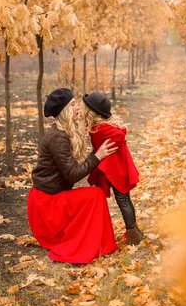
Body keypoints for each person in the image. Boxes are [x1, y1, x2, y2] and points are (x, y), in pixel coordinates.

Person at [27, 88, 119, 264]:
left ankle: (98, 242)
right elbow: (72, 175)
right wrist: (97, 156)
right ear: (64, 111)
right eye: (73, 104)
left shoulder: (65, 132)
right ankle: (97, 244)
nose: (78, 107)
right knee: (96, 195)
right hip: (46, 207)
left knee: (93, 194)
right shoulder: (58, 138)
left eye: (76, 103)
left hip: (50, 200)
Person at [81, 92, 143, 245]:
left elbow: (118, 136)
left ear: (91, 112)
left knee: (123, 200)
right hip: (118, 168)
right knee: (125, 200)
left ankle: (133, 233)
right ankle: (134, 230)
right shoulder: (102, 126)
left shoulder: (100, 129)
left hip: (116, 171)